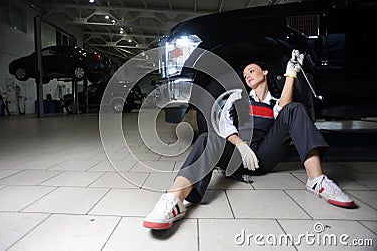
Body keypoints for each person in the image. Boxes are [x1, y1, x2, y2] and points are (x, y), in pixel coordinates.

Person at [143, 50, 355, 230]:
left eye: (251, 71)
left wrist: (291, 74)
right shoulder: (238, 98)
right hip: (236, 156)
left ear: (264, 72)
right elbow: (223, 125)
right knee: (208, 138)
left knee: (295, 109)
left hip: (263, 157)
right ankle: (174, 200)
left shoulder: (274, 103)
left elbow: (285, 109)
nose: (247, 76)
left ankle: (316, 180)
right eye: (244, 75)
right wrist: (241, 145)